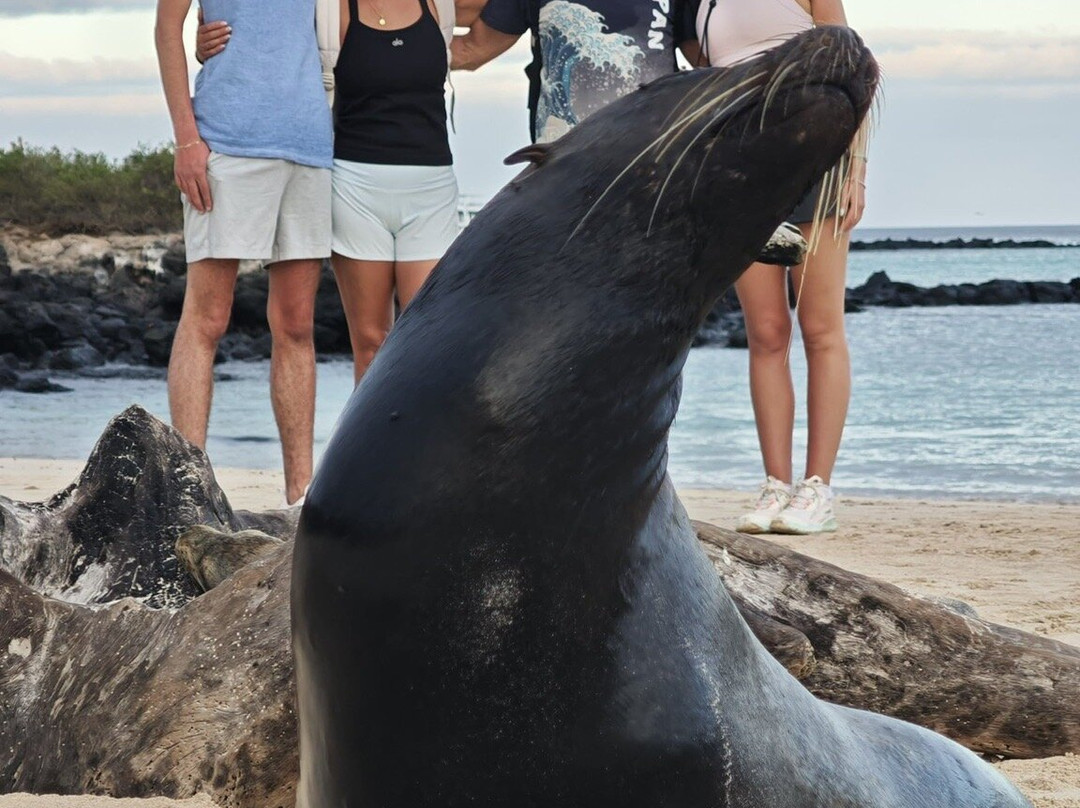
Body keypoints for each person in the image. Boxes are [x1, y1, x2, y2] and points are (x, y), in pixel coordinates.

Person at [197, 0, 459, 385]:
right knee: (371, 343)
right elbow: (273, 39)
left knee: (429, 341)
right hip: (354, 184)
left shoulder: (443, 5)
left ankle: (433, 446)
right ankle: (373, 446)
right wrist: (208, 44)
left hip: (432, 190)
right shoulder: (329, 8)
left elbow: (503, 21)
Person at [695, 0, 868, 535]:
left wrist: (856, 166)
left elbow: (855, 72)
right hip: (742, 172)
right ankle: (776, 484)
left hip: (816, 161)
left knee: (819, 328)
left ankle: (817, 489)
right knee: (766, 333)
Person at [154, 0, 333, 506]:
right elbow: (167, 28)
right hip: (228, 144)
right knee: (207, 319)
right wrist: (186, 139)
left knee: (297, 324)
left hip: (309, 146)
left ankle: (300, 494)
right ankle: (188, 491)